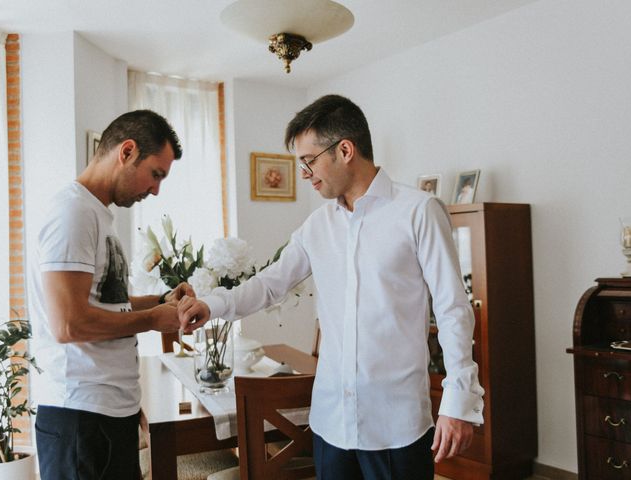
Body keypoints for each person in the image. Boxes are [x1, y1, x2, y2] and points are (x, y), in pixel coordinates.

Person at [177, 95, 484, 479]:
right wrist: (212, 305)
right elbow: (270, 283)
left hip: (395, 425)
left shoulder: (419, 211)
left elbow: (453, 309)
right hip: (330, 423)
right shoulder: (317, 226)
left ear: (344, 150)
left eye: (309, 160)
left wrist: (458, 402)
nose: (304, 173)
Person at [29, 110, 197, 480]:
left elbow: (103, 306)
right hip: (80, 418)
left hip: (104, 412)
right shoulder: (72, 212)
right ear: (127, 152)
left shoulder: (96, 214)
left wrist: (160, 301)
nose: (156, 190)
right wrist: (153, 320)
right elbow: (69, 324)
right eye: (156, 174)